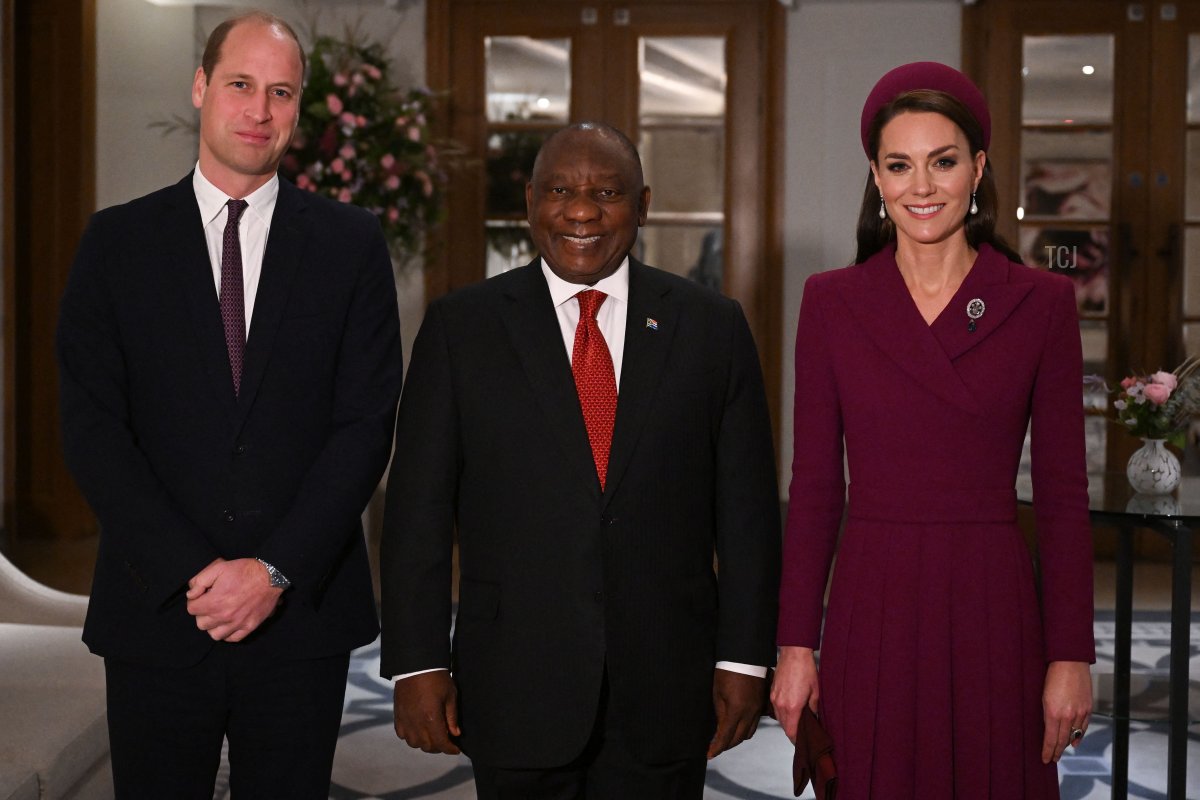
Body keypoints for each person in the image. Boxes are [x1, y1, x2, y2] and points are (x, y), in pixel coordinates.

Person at [55, 11, 402, 799]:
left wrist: (273, 571)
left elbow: (364, 427)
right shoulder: (116, 245)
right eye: (241, 85)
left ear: (299, 108)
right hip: (155, 608)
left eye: (281, 92)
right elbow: (93, 431)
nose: (259, 110)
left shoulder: (352, 246)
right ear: (202, 87)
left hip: (300, 613)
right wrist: (197, 572)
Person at [379, 121, 780, 799]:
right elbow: (417, 512)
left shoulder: (712, 328)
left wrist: (743, 657)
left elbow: (746, 515)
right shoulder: (461, 330)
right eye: (560, 189)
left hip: (665, 686)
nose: (582, 210)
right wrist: (416, 664)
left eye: (607, 191)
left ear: (643, 203)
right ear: (531, 200)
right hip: (513, 683)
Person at [770, 62, 1095, 798]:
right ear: (877, 180)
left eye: (943, 162)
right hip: (873, 598)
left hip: (992, 600)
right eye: (899, 165)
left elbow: (1063, 493)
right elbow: (816, 488)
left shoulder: (1040, 303)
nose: (922, 186)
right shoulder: (832, 303)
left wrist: (1071, 654)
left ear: (977, 169)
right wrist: (795, 645)